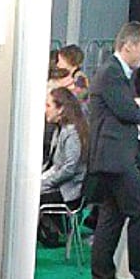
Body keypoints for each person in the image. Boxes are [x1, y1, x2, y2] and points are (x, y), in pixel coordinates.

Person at [87, 21, 140, 279]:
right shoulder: (112, 74)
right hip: (115, 159)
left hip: (111, 158)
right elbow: (130, 113)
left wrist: (138, 108)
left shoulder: (116, 73)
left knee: (111, 218)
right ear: (128, 46)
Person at [39, 87, 88, 247]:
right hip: (60, 186)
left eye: (48, 105)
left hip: (69, 192)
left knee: (30, 197)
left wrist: (44, 183)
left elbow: (68, 169)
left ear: (60, 109)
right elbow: (56, 166)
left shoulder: (72, 132)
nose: (45, 110)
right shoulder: (60, 130)